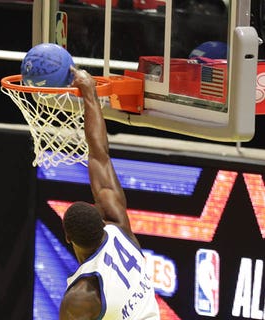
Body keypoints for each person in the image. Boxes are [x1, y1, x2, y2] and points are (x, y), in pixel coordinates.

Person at [59, 66, 161, 320]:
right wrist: (90, 92)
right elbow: (99, 155)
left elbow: (98, 155)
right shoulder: (118, 229)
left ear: (68, 238)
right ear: (102, 225)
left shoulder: (81, 298)